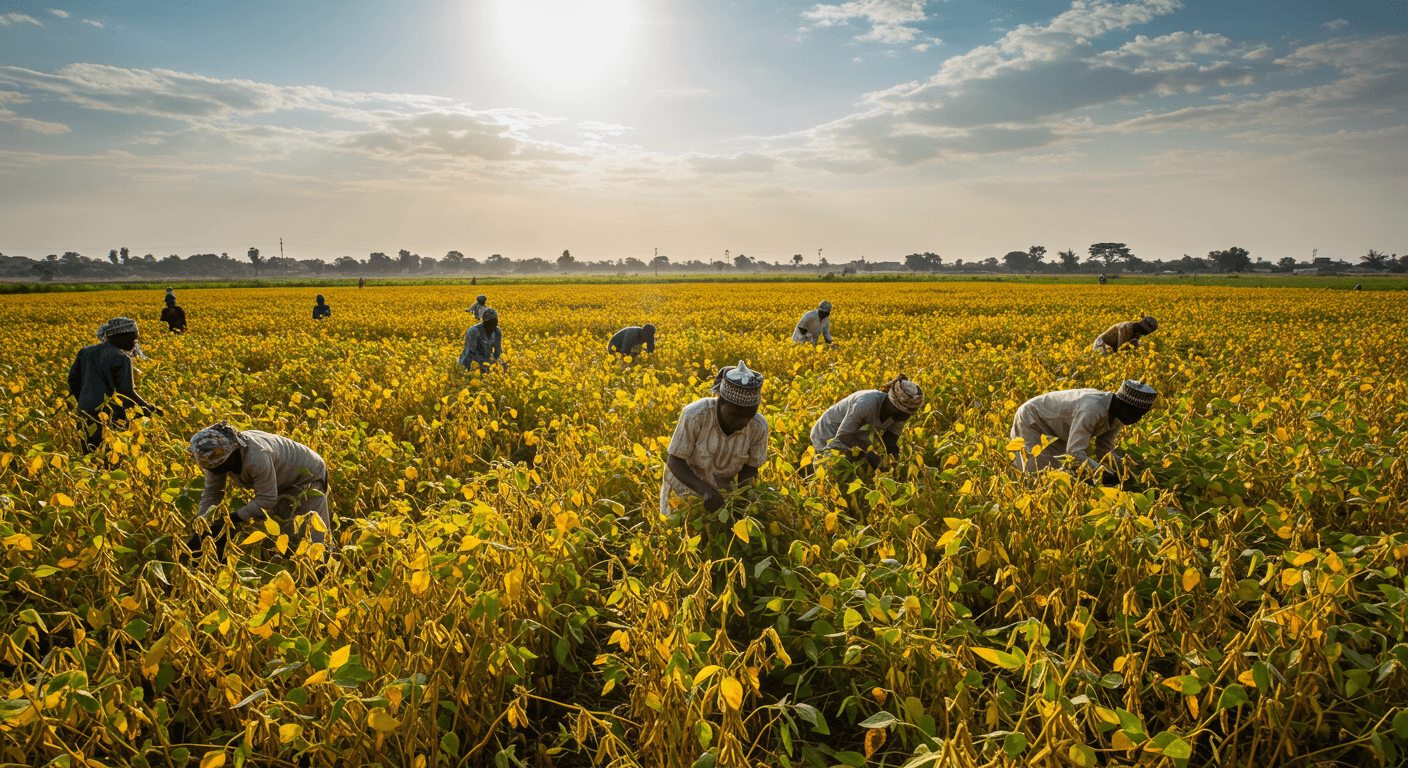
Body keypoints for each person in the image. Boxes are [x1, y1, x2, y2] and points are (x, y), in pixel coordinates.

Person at [182, 422, 332, 564]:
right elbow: (212, 493)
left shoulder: (256, 456)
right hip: (280, 481)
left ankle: (322, 573)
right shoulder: (215, 457)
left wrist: (233, 518)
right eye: (211, 469)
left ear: (232, 452)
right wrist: (202, 522)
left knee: (311, 535)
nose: (216, 472)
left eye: (218, 467)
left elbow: (267, 499)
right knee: (283, 532)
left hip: (307, 476)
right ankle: (290, 564)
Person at [660, 361, 768, 518]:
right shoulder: (696, 415)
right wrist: (703, 489)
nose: (742, 422)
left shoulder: (759, 426)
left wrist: (745, 498)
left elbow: (750, 468)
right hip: (682, 490)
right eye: (735, 415)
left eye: (749, 416)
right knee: (680, 536)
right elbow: (674, 460)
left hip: (721, 496)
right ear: (721, 402)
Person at [1009, 380, 1157, 485]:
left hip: (1056, 429)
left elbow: (1105, 449)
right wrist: (1103, 472)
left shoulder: (1118, 415)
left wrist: (1127, 470)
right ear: (1122, 405)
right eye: (1135, 414)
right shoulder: (1091, 409)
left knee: (1060, 472)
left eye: (1141, 415)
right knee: (1037, 475)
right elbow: (1074, 453)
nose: (1137, 419)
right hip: (1033, 420)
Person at [67, 317, 160, 454]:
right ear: (118, 336)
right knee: (110, 459)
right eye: (132, 339)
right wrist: (148, 408)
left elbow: (72, 380)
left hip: (84, 414)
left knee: (89, 455)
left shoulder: (85, 351)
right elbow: (126, 392)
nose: (135, 344)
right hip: (110, 417)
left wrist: (83, 401)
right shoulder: (121, 358)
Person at [809, 374, 924, 469]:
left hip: (856, 435)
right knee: (832, 468)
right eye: (903, 412)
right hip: (830, 431)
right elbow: (843, 436)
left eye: (908, 414)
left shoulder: (900, 414)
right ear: (891, 402)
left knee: (860, 467)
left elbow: (889, 441)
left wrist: (893, 459)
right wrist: (870, 455)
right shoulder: (866, 403)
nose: (905, 418)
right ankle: (807, 469)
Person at [459, 307, 503, 373]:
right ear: (484, 322)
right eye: (489, 322)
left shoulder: (497, 331)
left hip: (486, 361)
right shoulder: (474, 331)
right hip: (469, 361)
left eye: (495, 321)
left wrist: (500, 363)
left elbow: (498, 351)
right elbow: (471, 353)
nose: (492, 324)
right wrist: (484, 365)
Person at [1093, 315, 1157, 354]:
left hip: (1111, 348)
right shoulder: (1126, 327)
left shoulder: (1136, 331)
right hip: (1101, 345)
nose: (1141, 335)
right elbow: (1120, 349)